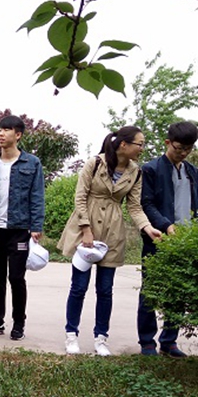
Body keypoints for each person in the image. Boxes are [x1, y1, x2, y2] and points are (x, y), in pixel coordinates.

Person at [58, 126, 162, 356]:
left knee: (105, 290)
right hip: (86, 228)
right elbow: (80, 196)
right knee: (79, 287)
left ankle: (101, 337)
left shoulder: (136, 172)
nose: (142, 149)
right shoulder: (95, 163)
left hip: (113, 232)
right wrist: (86, 229)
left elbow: (134, 207)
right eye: (140, 144)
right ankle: (71, 334)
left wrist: (147, 228)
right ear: (124, 144)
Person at [0, 115, 45, 341]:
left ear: (18, 135)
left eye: (6, 130)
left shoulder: (32, 163)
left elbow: (37, 196)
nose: (1, 134)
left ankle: (19, 323)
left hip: (19, 229)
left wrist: (36, 225)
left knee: (16, 278)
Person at [137, 121, 198, 358]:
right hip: (158, 238)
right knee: (151, 290)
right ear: (167, 143)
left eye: (188, 149)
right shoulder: (151, 169)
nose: (183, 153)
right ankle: (146, 341)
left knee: (179, 291)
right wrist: (165, 225)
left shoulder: (192, 171)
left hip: (184, 241)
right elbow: (146, 203)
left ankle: (169, 341)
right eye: (179, 148)